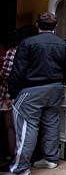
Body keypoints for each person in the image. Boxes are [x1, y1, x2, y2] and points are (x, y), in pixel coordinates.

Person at [0, 13, 66, 175]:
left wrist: (13, 92)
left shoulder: (28, 42)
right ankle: (51, 159)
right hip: (56, 87)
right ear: (55, 26)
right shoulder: (63, 44)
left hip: (32, 89)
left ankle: (20, 170)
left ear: (38, 24)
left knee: (26, 127)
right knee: (51, 121)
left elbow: (19, 70)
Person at [0, 26, 38, 164]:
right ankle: (28, 156)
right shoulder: (35, 52)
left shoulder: (13, 51)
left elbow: (5, 73)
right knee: (27, 127)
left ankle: (15, 158)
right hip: (31, 93)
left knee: (12, 128)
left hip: (11, 94)